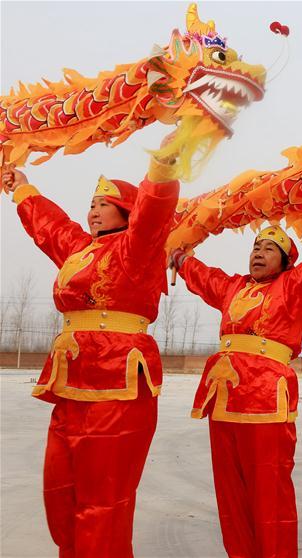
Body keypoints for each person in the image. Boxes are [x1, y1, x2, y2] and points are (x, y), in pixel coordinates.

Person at [1, 138, 179, 557]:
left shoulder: (140, 247)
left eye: (103, 203)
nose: (93, 210)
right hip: (71, 382)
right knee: (60, 493)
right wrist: (21, 187)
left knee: (103, 502)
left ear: (127, 211)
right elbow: (50, 226)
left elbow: (154, 210)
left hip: (117, 384)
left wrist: (164, 162)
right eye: (92, 204)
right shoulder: (80, 250)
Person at [169, 224, 302, 558]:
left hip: (266, 395)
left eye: (268, 248)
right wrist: (179, 257)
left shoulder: (293, 285)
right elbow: (205, 277)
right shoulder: (234, 287)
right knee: (230, 492)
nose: (258, 253)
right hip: (224, 395)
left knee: (270, 491)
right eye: (256, 246)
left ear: (284, 261)